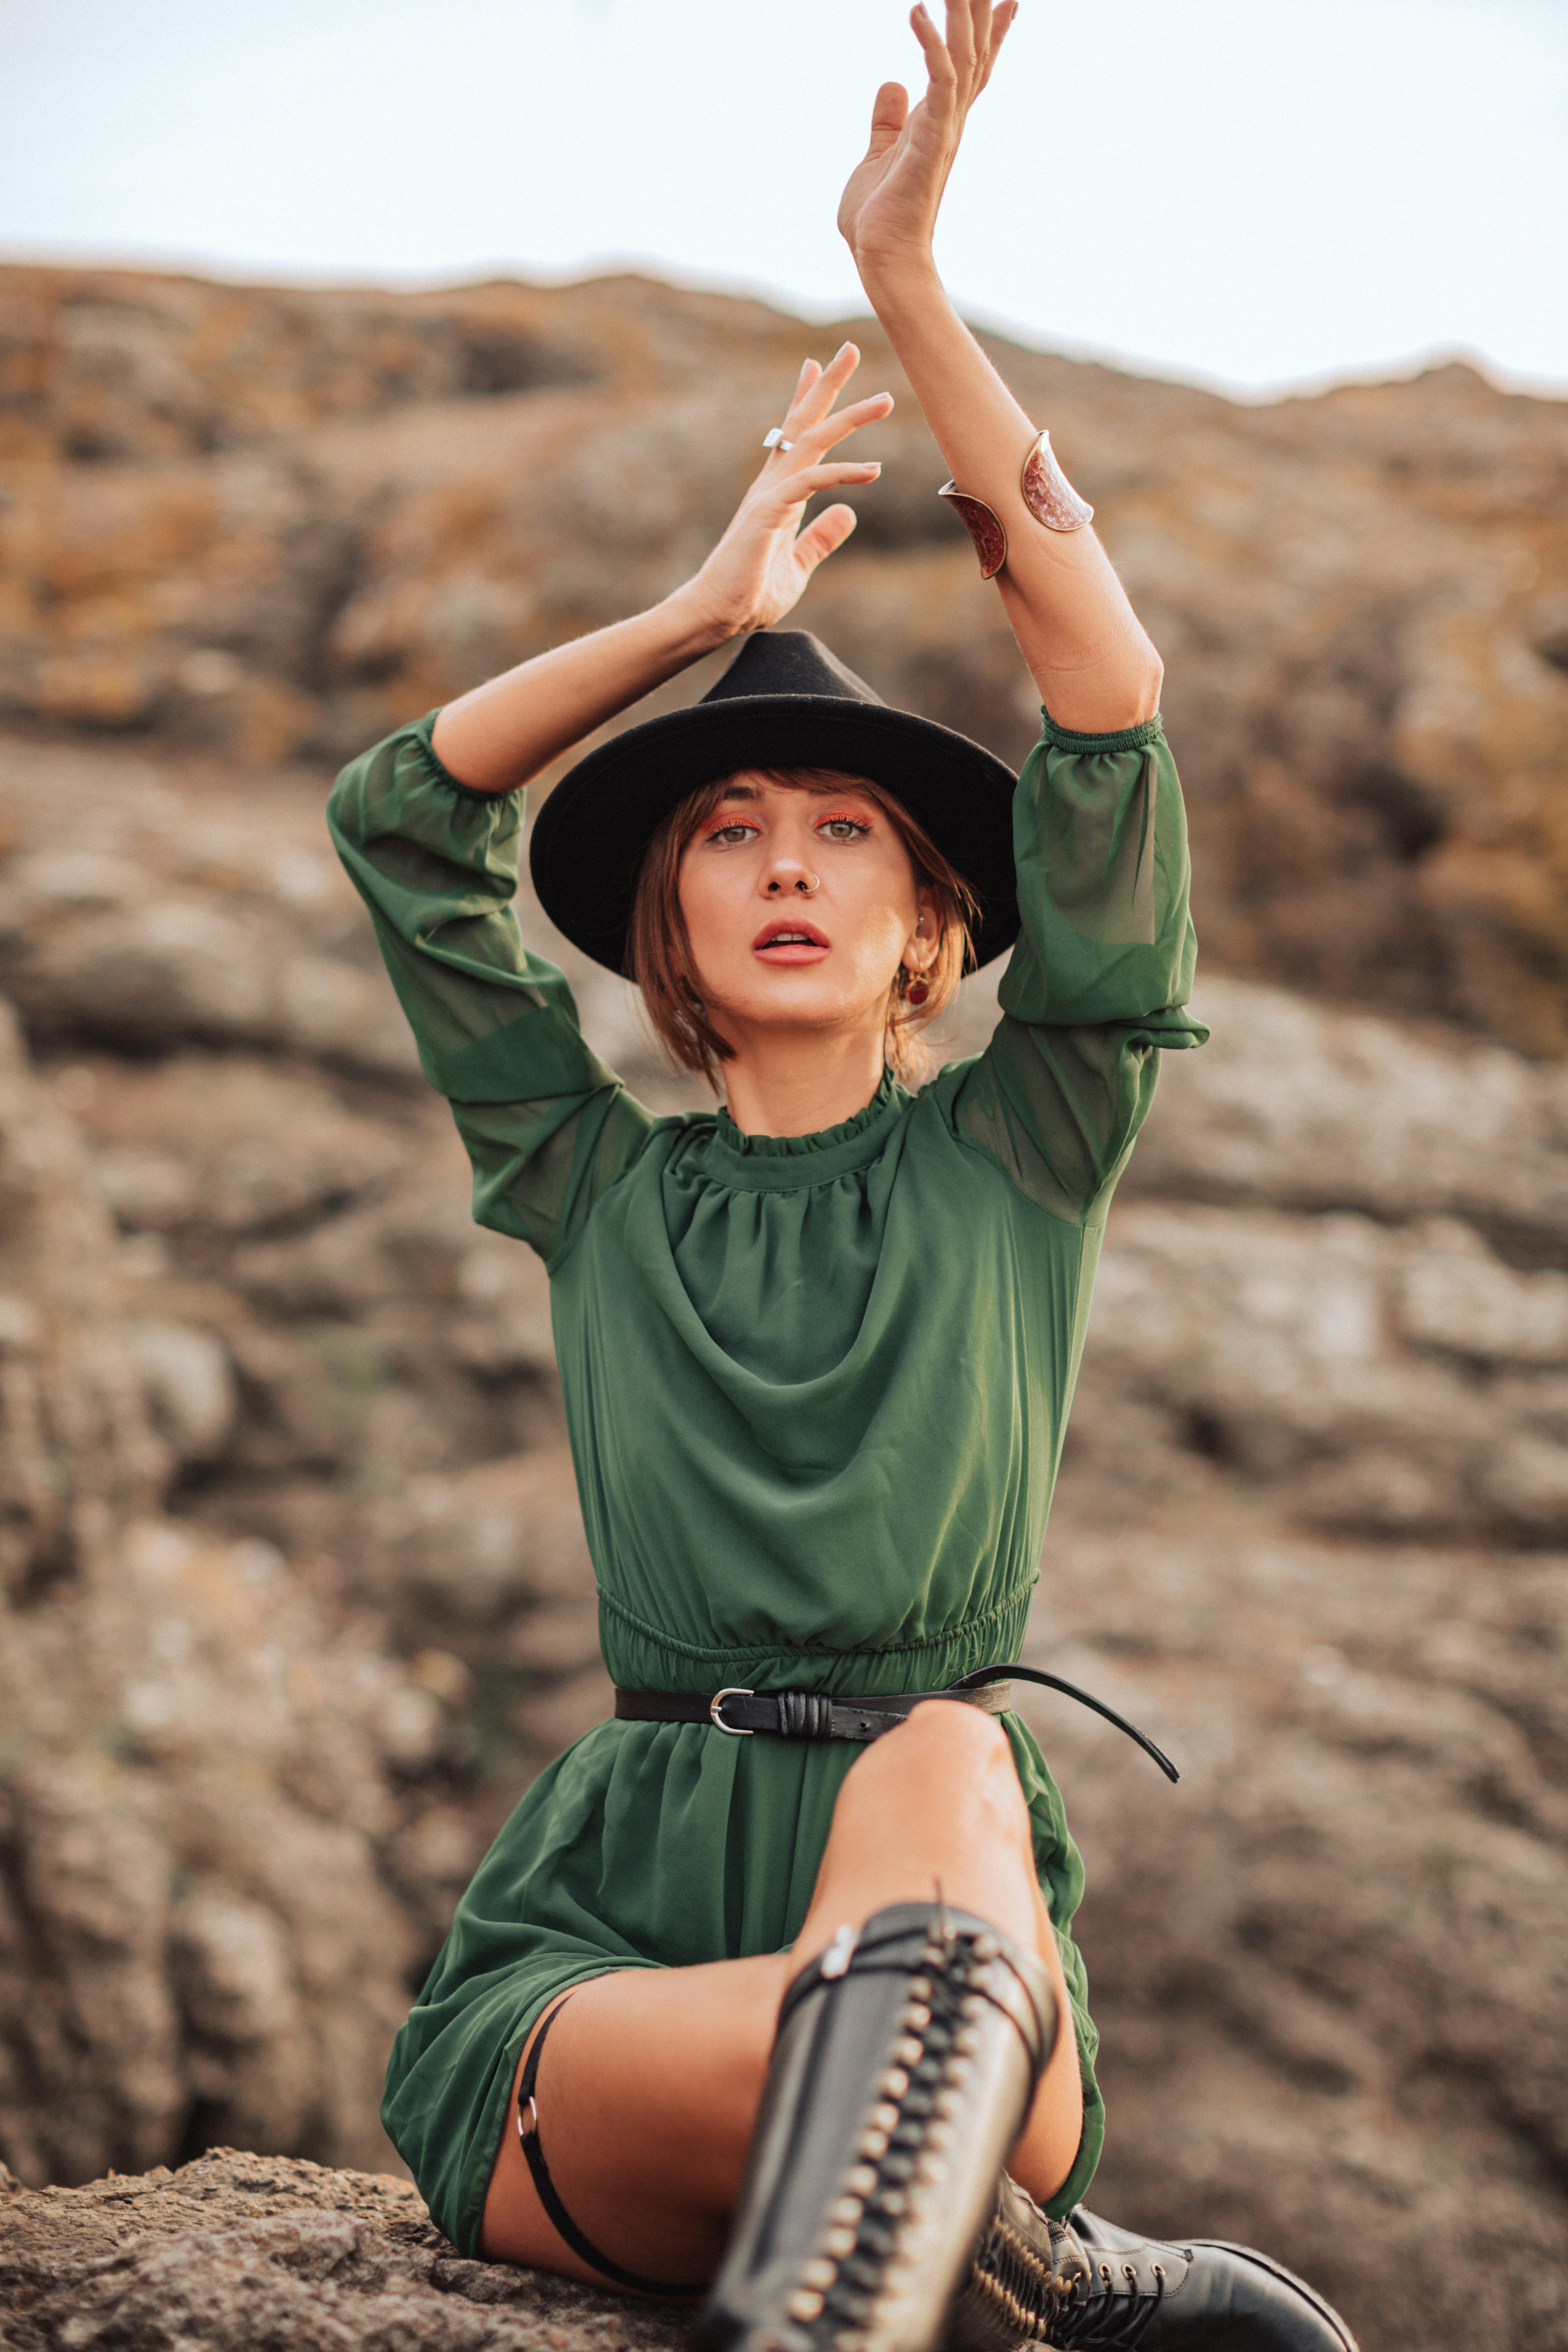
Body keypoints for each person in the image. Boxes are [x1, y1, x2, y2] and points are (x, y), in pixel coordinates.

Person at [329, 7, 1358, 2348]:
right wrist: (695, 622)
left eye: (843, 836)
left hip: (956, 1898)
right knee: (846, 2032)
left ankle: (926, 2234)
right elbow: (404, 823)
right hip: (616, 1960)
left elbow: (1109, 704)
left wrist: (910, 278)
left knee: (945, 1749)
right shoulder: (586, 1178)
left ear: (935, 927)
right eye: (724, 832)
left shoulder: (1032, 1137)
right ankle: (1000, 2244)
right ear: (669, 925)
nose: (784, 866)